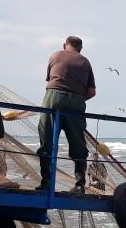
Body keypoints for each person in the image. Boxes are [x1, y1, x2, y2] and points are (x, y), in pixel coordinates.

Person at [36, 36, 95, 196]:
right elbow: (91, 92)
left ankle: (47, 183)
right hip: (76, 102)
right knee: (78, 144)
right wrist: (77, 99)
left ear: (65, 45)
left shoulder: (55, 55)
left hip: (54, 97)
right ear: (80, 48)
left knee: (46, 139)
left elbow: (50, 80)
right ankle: (79, 185)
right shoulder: (85, 61)